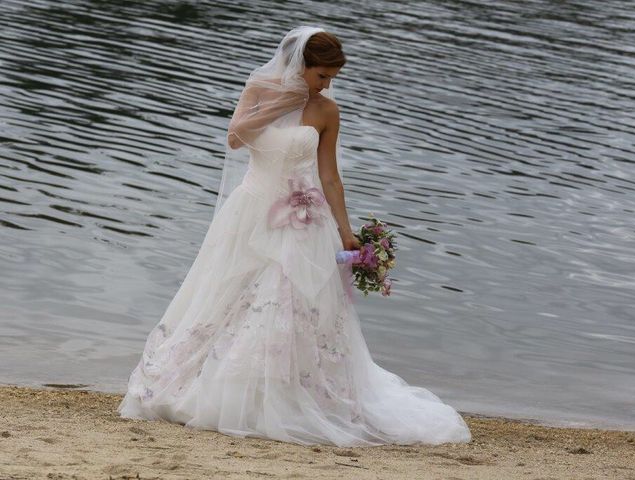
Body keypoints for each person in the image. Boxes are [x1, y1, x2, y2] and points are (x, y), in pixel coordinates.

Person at [117, 25, 472, 447]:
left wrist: (346, 233)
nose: (328, 84)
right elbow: (235, 138)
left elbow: (329, 176)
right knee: (231, 296)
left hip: (306, 219)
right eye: (322, 76)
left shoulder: (327, 111)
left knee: (294, 301)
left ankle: (292, 393)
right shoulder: (260, 88)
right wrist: (281, 104)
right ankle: (221, 387)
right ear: (300, 66)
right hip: (251, 211)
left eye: (332, 77)